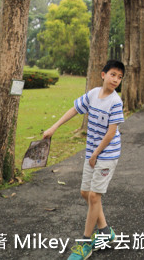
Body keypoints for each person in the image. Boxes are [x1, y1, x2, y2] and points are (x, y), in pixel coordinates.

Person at [43, 59, 125, 260]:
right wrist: (54, 127)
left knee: (94, 197)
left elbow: (111, 133)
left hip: (106, 153)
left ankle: (85, 243)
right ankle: (105, 232)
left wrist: (96, 154)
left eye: (120, 77)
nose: (116, 80)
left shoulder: (116, 102)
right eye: (113, 74)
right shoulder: (92, 94)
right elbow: (74, 109)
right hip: (92, 153)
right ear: (103, 74)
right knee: (85, 193)